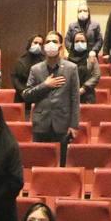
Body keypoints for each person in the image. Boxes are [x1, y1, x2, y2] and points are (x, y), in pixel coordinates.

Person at [21, 31, 80, 166]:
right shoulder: (35, 69)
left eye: (54, 41)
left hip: (63, 123)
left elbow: (75, 99)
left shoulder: (71, 68)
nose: (51, 44)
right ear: (44, 47)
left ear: (60, 46)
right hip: (41, 123)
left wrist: (74, 125)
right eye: (48, 42)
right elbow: (26, 95)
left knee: (61, 163)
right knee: (40, 163)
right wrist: (45, 85)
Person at [11, 34, 45, 102]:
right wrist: (24, 91)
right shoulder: (21, 61)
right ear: (30, 43)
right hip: (22, 96)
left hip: (39, 96)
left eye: (40, 44)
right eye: (35, 42)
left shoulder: (44, 61)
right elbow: (15, 79)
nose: (37, 45)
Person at [70, 31, 102, 104]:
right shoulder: (68, 59)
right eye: (77, 41)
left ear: (87, 43)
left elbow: (96, 75)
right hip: (71, 95)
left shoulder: (92, 58)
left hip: (88, 94)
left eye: (82, 41)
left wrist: (84, 88)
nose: (79, 43)